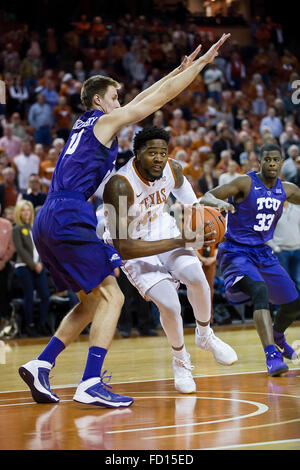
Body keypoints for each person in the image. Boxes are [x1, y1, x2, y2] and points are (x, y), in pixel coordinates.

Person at [18, 34, 232, 408]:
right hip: (69, 213)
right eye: (115, 97)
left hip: (49, 217)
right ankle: (90, 382)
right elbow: (154, 102)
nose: (122, 104)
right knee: (112, 297)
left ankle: (41, 364)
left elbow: (141, 100)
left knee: (89, 302)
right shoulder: (103, 122)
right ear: (99, 100)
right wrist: (199, 67)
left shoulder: (85, 126)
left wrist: (175, 71)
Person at [102, 126, 237, 394]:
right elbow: (126, 247)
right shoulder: (119, 186)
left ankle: (205, 335)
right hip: (132, 243)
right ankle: (180, 361)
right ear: (137, 153)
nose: (159, 158)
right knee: (170, 304)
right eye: (152, 153)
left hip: (161, 226)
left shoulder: (171, 168)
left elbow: (193, 203)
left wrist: (207, 217)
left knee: (197, 277)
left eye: (163, 153)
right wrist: (182, 240)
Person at [200, 143, 300, 376]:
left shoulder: (287, 189)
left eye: (276, 160)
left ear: (281, 162)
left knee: (294, 303)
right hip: (236, 252)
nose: (272, 164)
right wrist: (221, 204)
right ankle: (271, 355)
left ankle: (277, 335)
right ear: (260, 162)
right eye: (268, 160)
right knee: (260, 291)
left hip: (263, 252)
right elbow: (207, 196)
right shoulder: (245, 183)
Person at [12, 200, 51, 337]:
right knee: (29, 296)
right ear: (19, 213)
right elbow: (21, 250)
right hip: (24, 267)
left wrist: (39, 263)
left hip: (38, 266)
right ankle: (29, 325)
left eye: (28, 210)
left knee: (45, 295)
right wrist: (33, 265)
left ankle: (42, 324)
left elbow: (42, 247)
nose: (26, 213)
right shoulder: (17, 228)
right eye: (23, 210)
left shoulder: (36, 227)